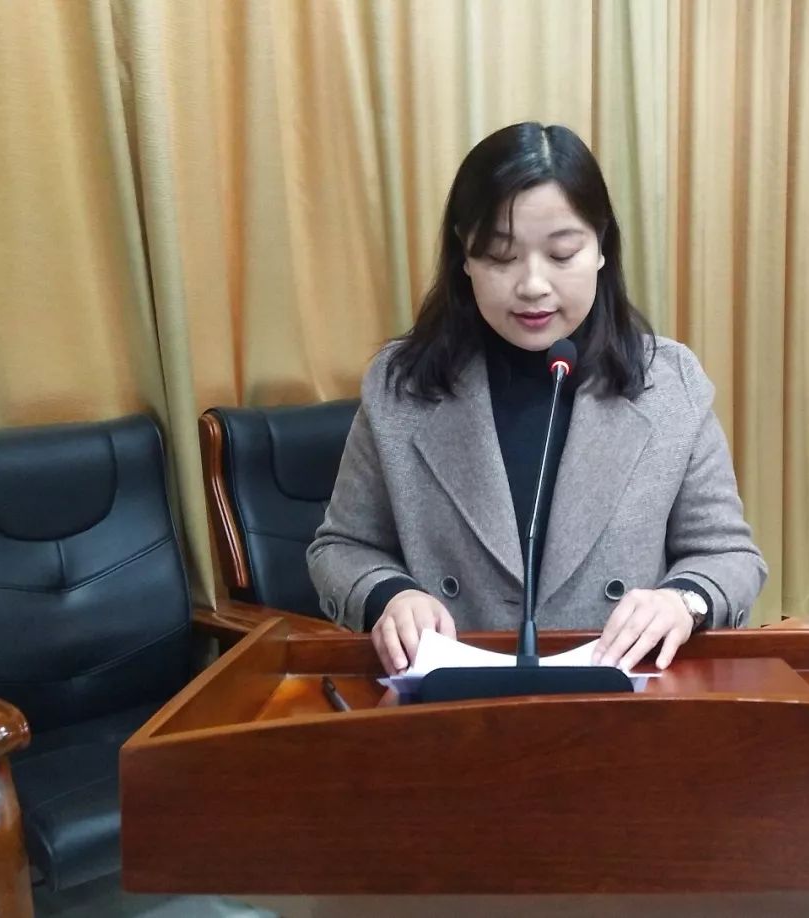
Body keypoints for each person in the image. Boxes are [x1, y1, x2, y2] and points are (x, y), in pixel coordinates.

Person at [308, 122, 767, 676]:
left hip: (619, 699)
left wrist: (682, 601)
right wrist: (391, 596)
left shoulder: (669, 383)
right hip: (455, 700)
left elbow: (727, 555)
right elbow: (341, 547)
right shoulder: (399, 385)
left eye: (562, 253)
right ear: (464, 256)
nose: (532, 285)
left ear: (601, 249)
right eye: (501, 256)